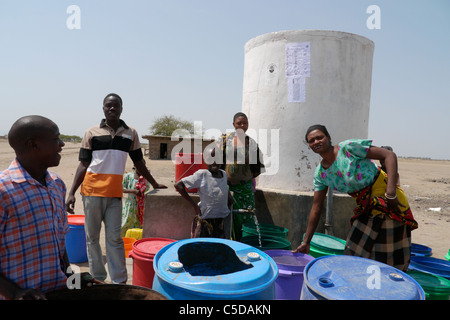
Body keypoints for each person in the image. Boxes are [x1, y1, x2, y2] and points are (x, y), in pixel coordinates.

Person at [65, 93, 167, 284]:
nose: (112, 108)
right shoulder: (91, 132)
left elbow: (139, 161)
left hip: (114, 193)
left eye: (116, 105)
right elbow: (83, 164)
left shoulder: (130, 133)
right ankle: (98, 277)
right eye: (108, 106)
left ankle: (119, 281)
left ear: (121, 108)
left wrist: (153, 183)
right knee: (92, 238)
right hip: (92, 190)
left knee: (115, 239)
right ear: (103, 108)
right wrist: (71, 193)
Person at [293, 125, 418, 271]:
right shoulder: (321, 174)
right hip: (365, 205)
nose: (316, 142)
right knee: (354, 251)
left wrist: (391, 193)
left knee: (387, 252)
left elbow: (389, 155)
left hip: (386, 199)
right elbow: (317, 206)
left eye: (320, 137)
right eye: (311, 140)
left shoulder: (348, 148)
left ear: (328, 137)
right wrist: (306, 242)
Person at [0, 115, 69, 300]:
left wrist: (73, 280)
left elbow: (60, 244)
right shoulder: (3, 190)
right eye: (56, 139)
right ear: (34, 145)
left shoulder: (57, 184)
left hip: (56, 292)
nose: (61, 144)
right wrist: (14, 293)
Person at [220, 112, 264, 241]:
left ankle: (242, 244)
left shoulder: (251, 143)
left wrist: (245, 176)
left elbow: (258, 165)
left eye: (245, 123)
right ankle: (228, 243)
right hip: (227, 188)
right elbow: (214, 161)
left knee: (246, 217)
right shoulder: (224, 140)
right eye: (239, 123)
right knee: (227, 217)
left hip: (245, 190)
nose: (242, 125)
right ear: (233, 124)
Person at [174, 149, 233, 238]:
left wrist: (228, 198)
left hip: (221, 223)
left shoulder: (223, 174)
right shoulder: (202, 174)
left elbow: (222, 188)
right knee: (203, 247)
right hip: (206, 222)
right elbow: (178, 185)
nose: (214, 162)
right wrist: (194, 205)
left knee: (219, 248)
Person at [121, 164, 150, 237]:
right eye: (139, 165)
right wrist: (133, 191)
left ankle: (135, 242)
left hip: (140, 206)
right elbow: (121, 188)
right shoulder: (128, 176)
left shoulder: (145, 178)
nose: (141, 167)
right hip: (130, 205)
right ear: (134, 166)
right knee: (124, 224)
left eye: (143, 165)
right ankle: (122, 241)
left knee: (139, 226)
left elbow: (147, 189)